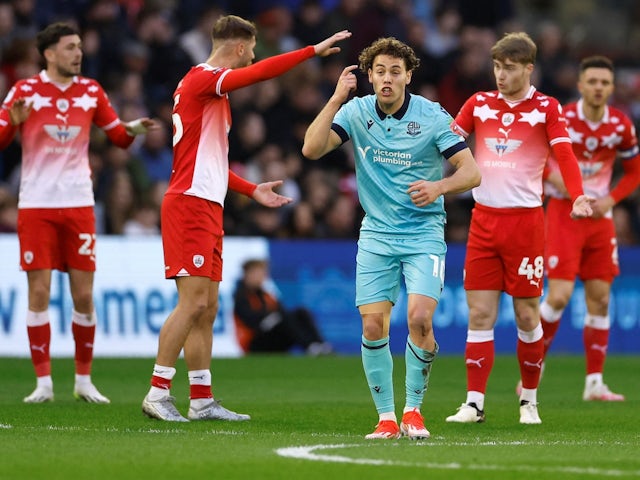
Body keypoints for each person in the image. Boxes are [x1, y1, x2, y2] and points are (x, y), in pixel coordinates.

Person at [141, 15, 351, 422]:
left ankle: (201, 398)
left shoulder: (207, 94)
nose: (253, 56)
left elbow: (210, 161)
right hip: (189, 203)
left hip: (207, 202)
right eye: (252, 48)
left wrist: (250, 189)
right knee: (192, 303)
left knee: (208, 307)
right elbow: (258, 74)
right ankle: (157, 391)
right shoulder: (203, 78)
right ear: (238, 46)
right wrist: (311, 51)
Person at [302, 37, 481, 440]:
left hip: (423, 234)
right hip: (377, 235)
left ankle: (413, 411)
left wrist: (439, 188)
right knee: (371, 326)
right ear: (369, 76)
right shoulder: (357, 111)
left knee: (419, 318)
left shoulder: (433, 117)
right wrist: (334, 99)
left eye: (395, 72)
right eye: (379, 71)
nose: (387, 79)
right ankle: (386, 418)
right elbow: (311, 149)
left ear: (408, 76)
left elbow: (471, 172)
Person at [0, 22, 156, 404]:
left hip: (80, 206)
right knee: (39, 291)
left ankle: (84, 381)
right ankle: (44, 384)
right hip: (37, 205)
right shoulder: (25, 91)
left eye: (79, 47)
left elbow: (116, 137)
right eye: (70, 47)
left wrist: (133, 128)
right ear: (49, 53)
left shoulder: (91, 91)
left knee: (83, 296)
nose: (78, 53)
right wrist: (14, 125)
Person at [444, 32, 593, 426]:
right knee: (479, 314)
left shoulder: (547, 108)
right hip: (483, 221)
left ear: (528, 68)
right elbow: (446, 143)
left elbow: (565, 154)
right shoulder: (478, 104)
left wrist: (576, 195)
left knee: (528, 316)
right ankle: (474, 403)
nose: (500, 75)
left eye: (509, 68)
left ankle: (529, 400)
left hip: (526, 223)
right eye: (496, 67)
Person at [523, 55, 639, 401]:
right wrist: (553, 175)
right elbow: (534, 155)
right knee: (557, 296)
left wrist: (611, 199)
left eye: (605, 82)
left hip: (599, 219)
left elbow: (634, 171)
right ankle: (532, 370)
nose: (599, 88)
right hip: (564, 213)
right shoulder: (563, 118)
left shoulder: (620, 125)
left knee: (600, 299)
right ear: (581, 85)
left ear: (611, 87)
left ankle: (594, 384)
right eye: (593, 81)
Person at [233, 258, 332, 355]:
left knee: (301, 312)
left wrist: (274, 317)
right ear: (247, 274)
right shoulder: (241, 296)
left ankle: (320, 344)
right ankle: (310, 347)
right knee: (284, 318)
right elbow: (252, 320)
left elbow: (282, 311)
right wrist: (272, 317)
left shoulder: (267, 295)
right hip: (254, 342)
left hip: (272, 336)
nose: (261, 277)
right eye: (257, 273)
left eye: (262, 273)